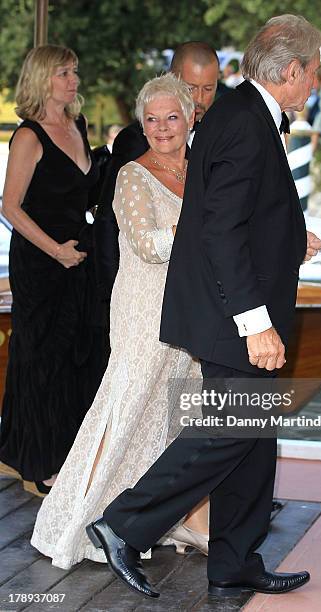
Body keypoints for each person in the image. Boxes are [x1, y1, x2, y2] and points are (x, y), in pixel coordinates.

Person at [86, 14, 321, 600]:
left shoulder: (245, 113)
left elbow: (238, 212)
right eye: (315, 71)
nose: (317, 82)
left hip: (231, 308)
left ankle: (235, 562)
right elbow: (219, 230)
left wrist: (294, 238)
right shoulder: (246, 121)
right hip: (234, 316)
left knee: (252, 437)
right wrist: (255, 321)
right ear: (292, 70)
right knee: (224, 432)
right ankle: (123, 524)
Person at [31, 74, 207, 569]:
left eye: (171, 117)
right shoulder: (132, 174)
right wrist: (198, 225)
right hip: (143, 308)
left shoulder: (203, 170)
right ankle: (78, 518)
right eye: (151, 119)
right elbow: (149, 246)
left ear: (191, 117)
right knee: (124, 410)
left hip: (191, 309)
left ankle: (174, 518)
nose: (161, 128)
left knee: (179, 414)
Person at [0, 45, 102, 494]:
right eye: (64, 72)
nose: (73, 79)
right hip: (41, 261)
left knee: (75, 356)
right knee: (40, 357)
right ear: (43, 78)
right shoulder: (29, 136)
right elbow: (9, 207)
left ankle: (64, 452)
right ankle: (38, 463)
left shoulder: (77, 125)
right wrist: (54, 251)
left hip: (78, 256)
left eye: (74, 71)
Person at [93, 41, 220, 308]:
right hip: (141, 295)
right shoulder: (137, 141)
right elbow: (107, 219)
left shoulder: (217, 138)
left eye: (208, 89)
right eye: (190, 88)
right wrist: (107, 295)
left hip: (193, 300)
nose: (198, 98)